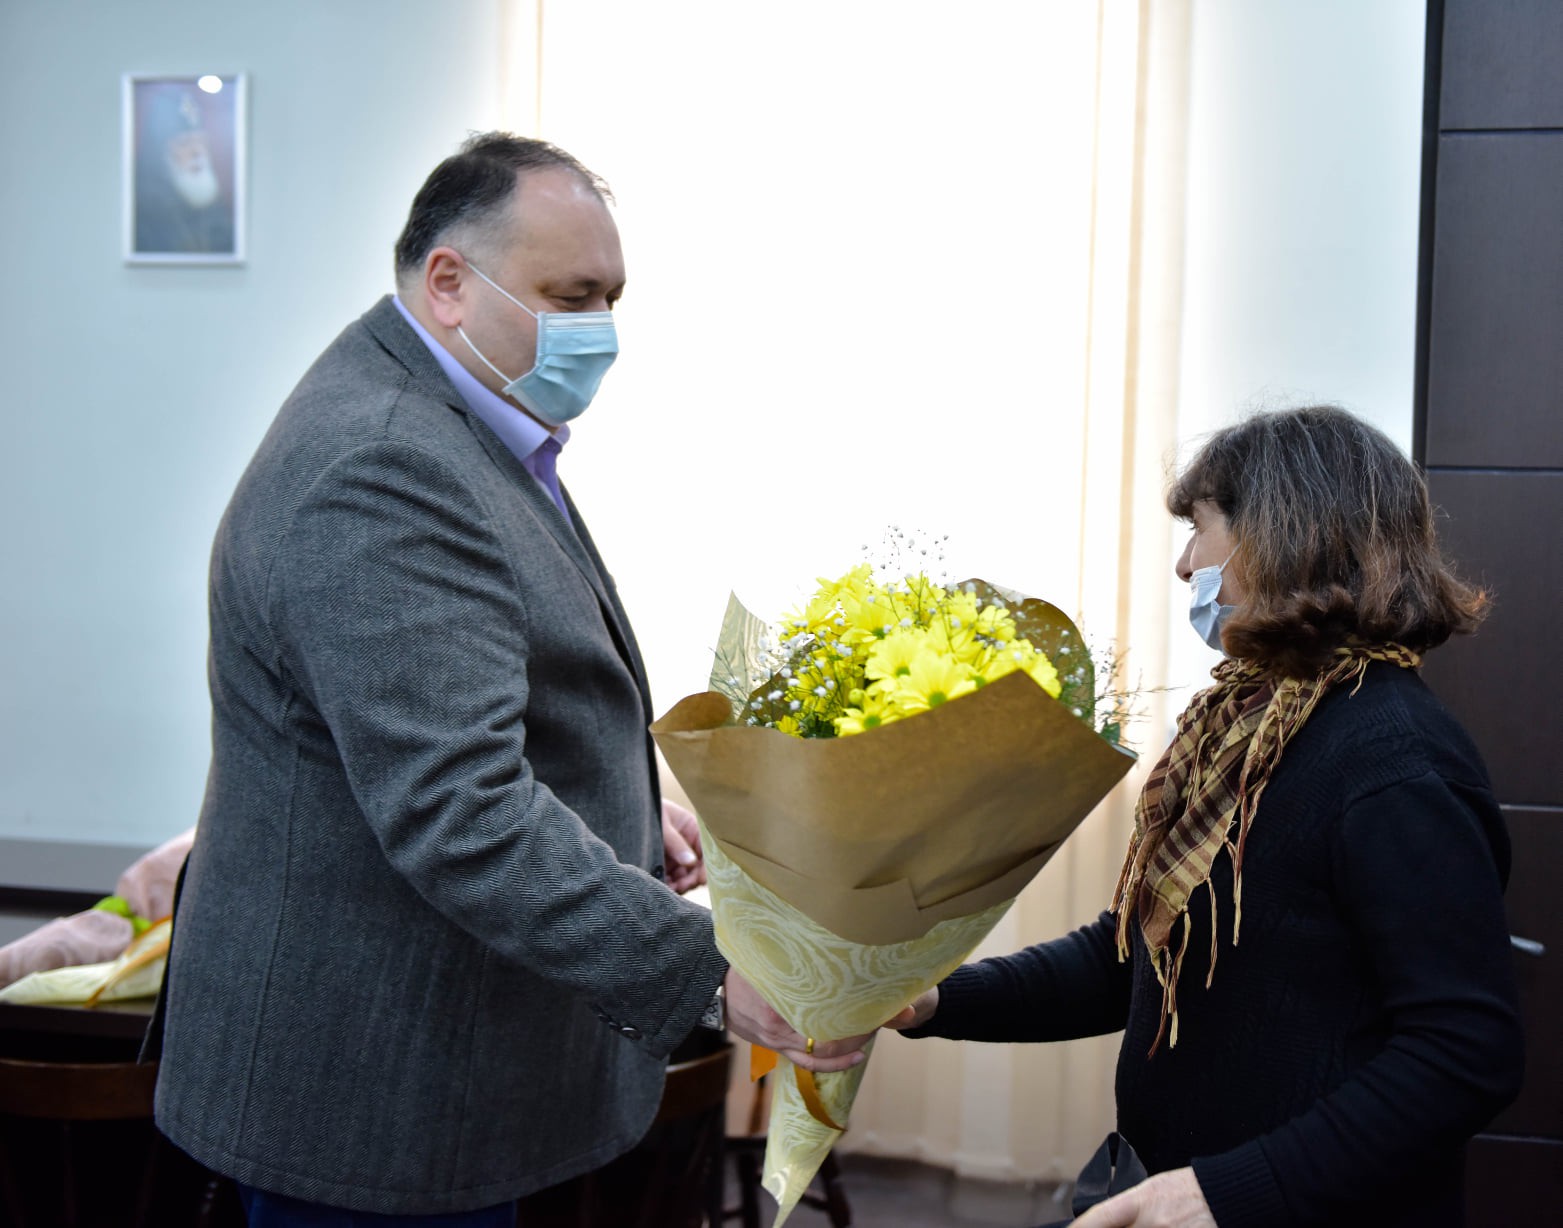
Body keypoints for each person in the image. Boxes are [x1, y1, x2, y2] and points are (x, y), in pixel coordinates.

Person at [152, 133, 866, 1226]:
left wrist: (626, 805)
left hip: (438, 1067)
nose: (601, 333)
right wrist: (709, 969)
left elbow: (500, 695)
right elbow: (458, 804)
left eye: (612, 299)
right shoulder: (382, 463)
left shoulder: (465, 429)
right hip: (372, 1093)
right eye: (570, 295)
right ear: (448, 283)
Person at [888, 406, 1523, 1228]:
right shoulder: (1244, 729)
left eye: (1199, 529)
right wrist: (938, 1000)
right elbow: (1138, 960)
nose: (1186, 563)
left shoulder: (1392, 760)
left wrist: (1221, 1191)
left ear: (1282, 532)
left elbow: (1463, 1055)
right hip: (1168, 1184)